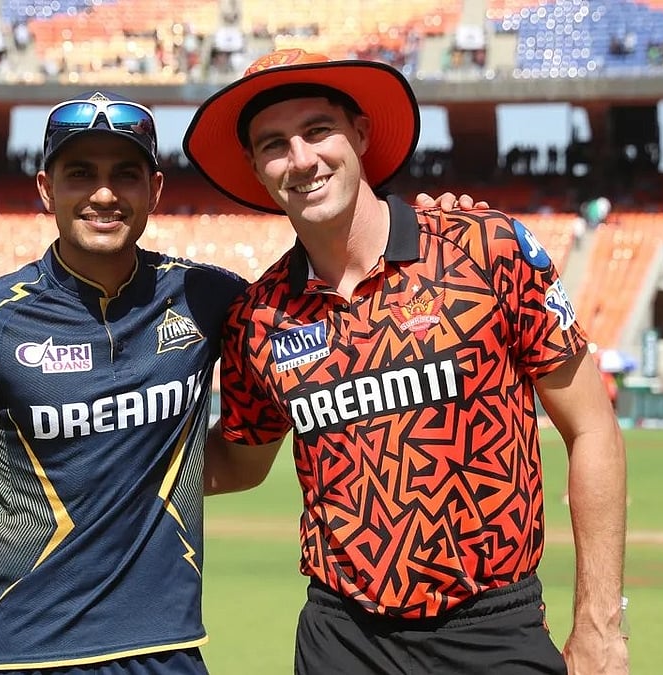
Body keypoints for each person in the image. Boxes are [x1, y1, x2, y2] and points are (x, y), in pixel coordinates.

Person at [0, 90, 486, 675]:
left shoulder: (210, 298)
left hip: (170, 654)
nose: (104, 194)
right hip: (26, 656)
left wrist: (432, 233)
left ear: (155, 191)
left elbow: (255, 442)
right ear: (45, 189)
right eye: (80, 173)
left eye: (126, 175)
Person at [184, 49, 629, 675]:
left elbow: (593, 427)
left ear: (360, 133)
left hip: (491, 629)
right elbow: (239, 461)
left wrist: (601, 626)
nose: (302, 159)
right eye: (274, 145)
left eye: (317, 131)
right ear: (258, 169)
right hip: (341, 637)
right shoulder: (259, 317)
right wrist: (103, 465)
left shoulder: (483, 248)